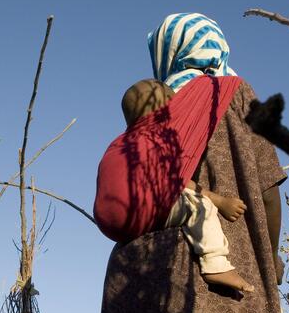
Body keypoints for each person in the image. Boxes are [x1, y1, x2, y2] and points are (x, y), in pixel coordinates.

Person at [95, 13, 287, 313]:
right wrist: (271, 259)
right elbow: (268, 191)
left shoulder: (150, 102)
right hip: (220, 266)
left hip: (133, 273)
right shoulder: (234, 93)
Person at [96, 78, 252, 292]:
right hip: (141, 211)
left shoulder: (118, 144)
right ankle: (216, 264)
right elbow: (179, 181)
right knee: (200, 207)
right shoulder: (155, 140)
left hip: (107, 223)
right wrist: (220, 201)